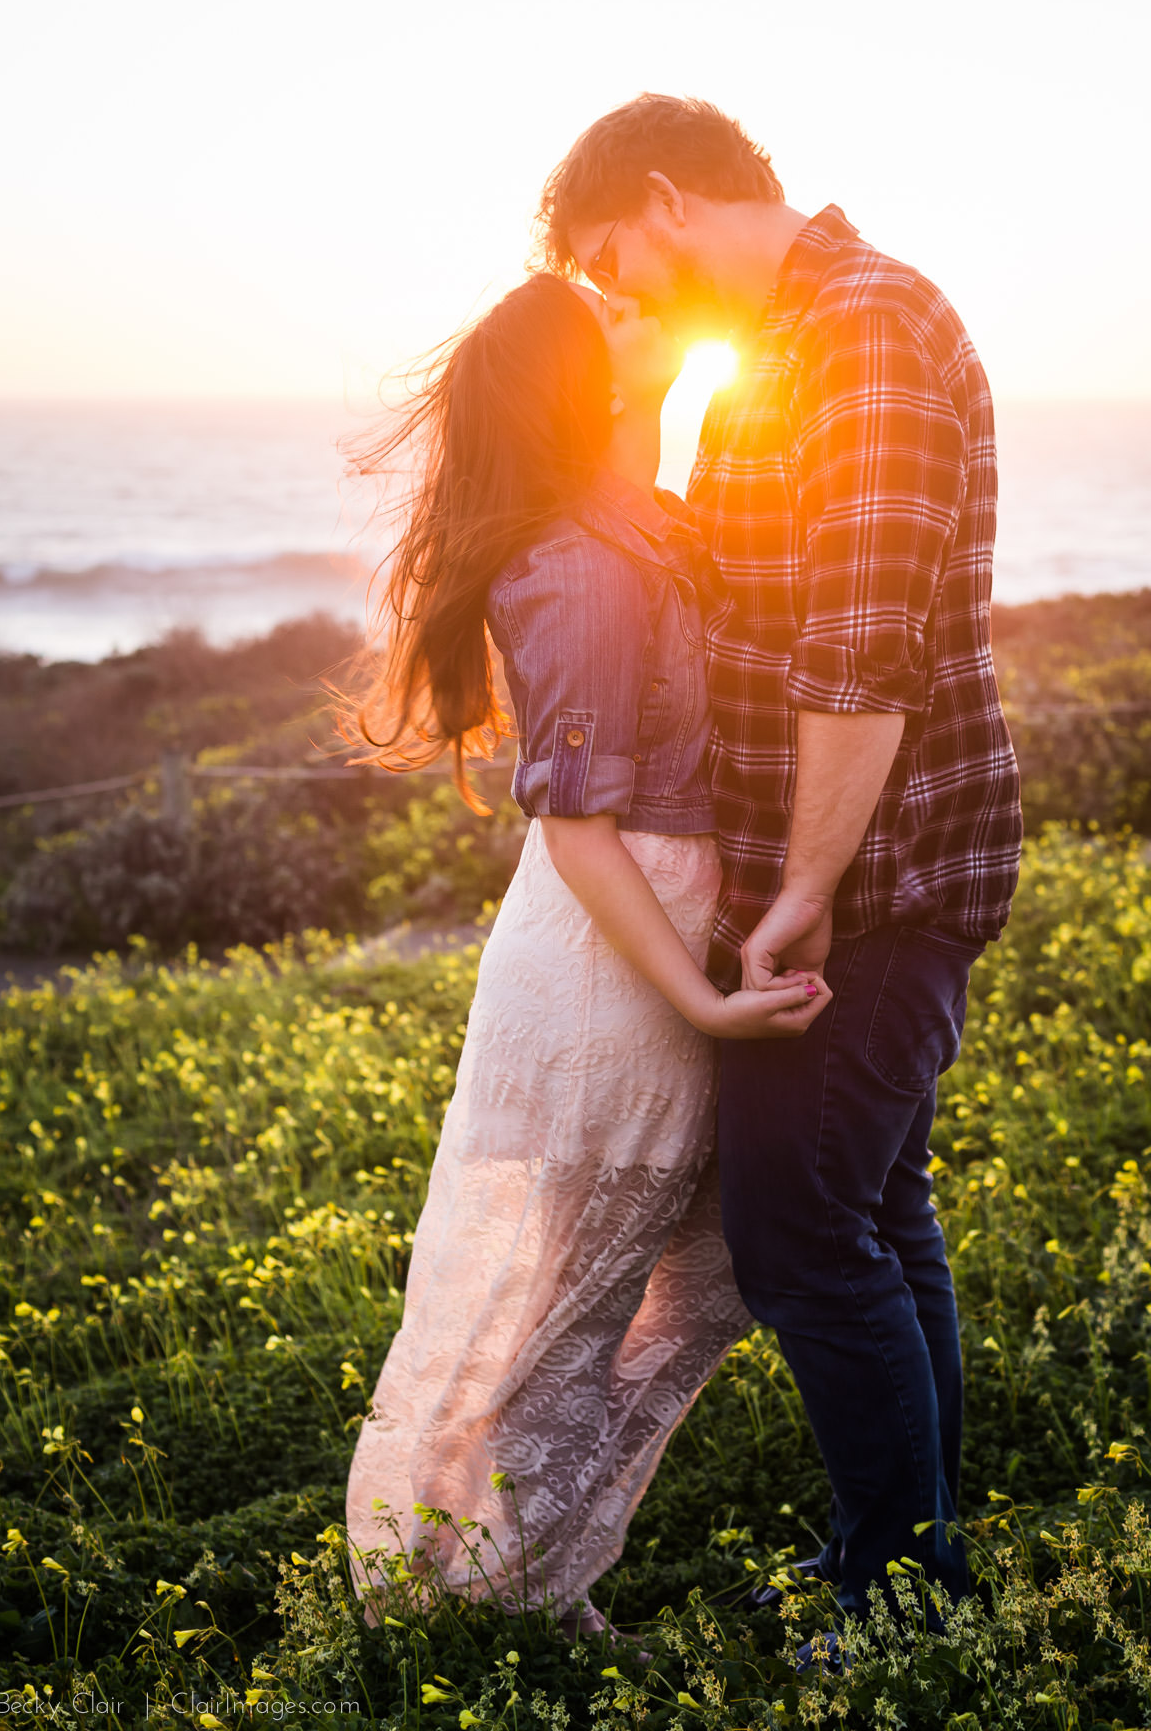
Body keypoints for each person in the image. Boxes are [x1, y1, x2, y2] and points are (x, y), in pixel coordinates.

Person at [537, 94, 1024, 1649]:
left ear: (670, 203)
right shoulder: (782, 354)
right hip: (849, 870)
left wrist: (804, 888)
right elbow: (734, 584)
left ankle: (900, 1600)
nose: (623, 302)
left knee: (801, 1228)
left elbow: (861, 656)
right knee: (876, 1208)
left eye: (618, 267)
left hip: (877, 879)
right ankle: (908, 1560)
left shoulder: (865, 334)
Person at [340, 271, 831, 1641]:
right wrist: (701, 1000)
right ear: (588, 382)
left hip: (660, 941)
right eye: (608, 311)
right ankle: (500, 1603)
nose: (641, 307)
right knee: (571, 1294)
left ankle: (517, 1580)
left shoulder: (644, 525)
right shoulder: (573, 559)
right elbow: (578, 826)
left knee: (663, 1274)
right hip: (611, 965)